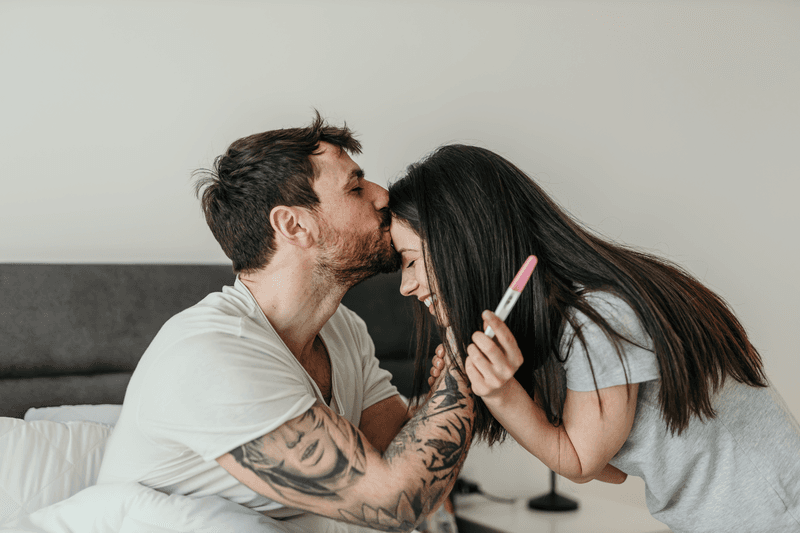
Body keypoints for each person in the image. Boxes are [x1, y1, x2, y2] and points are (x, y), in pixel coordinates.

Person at [388, 143, 800, 533]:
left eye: (410, 261)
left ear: (461, 244)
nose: (406, 286)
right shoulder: (567, 323)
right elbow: (610, 466)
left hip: (767, 515)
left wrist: (500, 394)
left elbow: (581, 461)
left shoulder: (600, 317)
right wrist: (492, 386)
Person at [96, 113, 474, 533]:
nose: (383, 196)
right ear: (293, 225)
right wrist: (464, 368)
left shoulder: (343, 329)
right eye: (355, 187)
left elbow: (414, 470)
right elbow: (396, 503)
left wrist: (448, 389)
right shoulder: (212, 355)